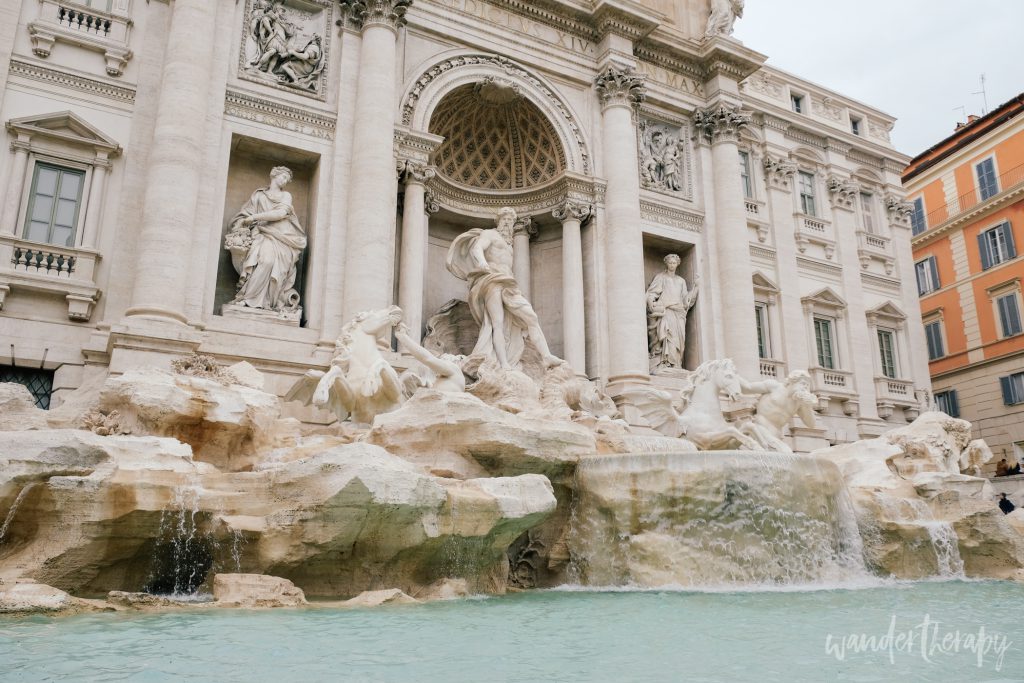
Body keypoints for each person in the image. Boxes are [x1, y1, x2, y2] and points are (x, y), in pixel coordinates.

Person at [446, 207, 561, 371]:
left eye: (511, 220)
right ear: (498, 220)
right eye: (505, 219)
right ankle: (503, 364)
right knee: (497, 323)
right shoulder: (490, 234)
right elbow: (476, 248)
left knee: (531, 317)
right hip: (492, 279)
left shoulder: (509, 243)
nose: (508, 223)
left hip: (508, 282)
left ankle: (546, 356)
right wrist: (482, 263)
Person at [225, 166, 307, 312]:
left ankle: (267, 302)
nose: (285, 181)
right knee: (265, 260)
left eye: (287, 180)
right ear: (274, 175)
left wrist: (254, 217)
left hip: (283, 237)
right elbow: (245, 213)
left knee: (271, 263)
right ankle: (248, 298)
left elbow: (280, 213)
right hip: (262, 234)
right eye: (283, 177)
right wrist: (242, 221)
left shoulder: (286, 195)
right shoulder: (259, 195)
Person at [646, 253, 699, 370]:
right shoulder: (661, 277)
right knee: (668, 337)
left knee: (678, 341)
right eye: (670, 263)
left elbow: (686, 300)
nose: (672, 265)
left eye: (674, 263)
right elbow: (652, 293)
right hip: (667, 311)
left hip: (679, 313)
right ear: (666, 263)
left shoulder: (681, 281)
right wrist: (650, 302)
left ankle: (676, 365)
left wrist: (695, 288)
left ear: (677, 264)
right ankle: (666, 364)